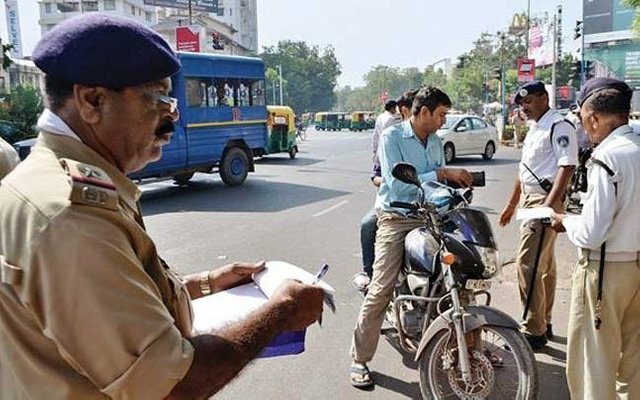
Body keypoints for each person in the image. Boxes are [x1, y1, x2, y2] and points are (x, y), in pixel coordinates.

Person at [0, 15, 324, 399]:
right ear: (92, 100)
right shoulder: (70, 217)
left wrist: (207, 283)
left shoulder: (50, 184)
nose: (171, 119)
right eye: (156, 100)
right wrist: (282, 312)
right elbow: (171, 387)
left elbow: (110, 305)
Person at [349, 87, 473, 388]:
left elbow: (434, 185)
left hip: (430, 216)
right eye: (441, 114)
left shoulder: (436, 140)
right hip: (396, 218)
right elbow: (397, 184)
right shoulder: (392, 137)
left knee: (460, 276)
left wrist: (458, 192)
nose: (444, 121)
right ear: (424, 112)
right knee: (380, 288)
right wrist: (442, 175)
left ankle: (470, 347)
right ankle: (359, 358)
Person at [549, 78, 640, 399]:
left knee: (594, 363)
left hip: (605, 271)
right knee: (634, 363)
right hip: (636, 269)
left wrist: (564, 221)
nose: (583, 127)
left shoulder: (607, 158)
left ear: (594, 117)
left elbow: (591, 232)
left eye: (582, 119)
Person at [499, 81, 578, 350]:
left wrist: (548, 205)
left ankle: (533, 330)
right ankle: (544, 320)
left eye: (529, 101)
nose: (525, 107)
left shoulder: (559, 125)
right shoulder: (536, 127)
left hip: (545, 200)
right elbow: (525, 171)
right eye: (522, 103)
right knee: (544, 266)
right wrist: (512, 204)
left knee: (527, 265)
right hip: (531, 199)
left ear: (544, 98)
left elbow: (567, 167)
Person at [353, 90, 418, 292]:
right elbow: (376, 176)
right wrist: (390, 182)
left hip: (426, 206)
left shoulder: (433, 140)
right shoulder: (391, 138)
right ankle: (370, 275)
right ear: (406, 111)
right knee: (367, 225)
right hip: (395, 205)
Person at [371, 99, 398, 166]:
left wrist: (374, 148)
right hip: (387, 148)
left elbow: (375, 134)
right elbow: (391, 136)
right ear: (392, 108)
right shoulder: (390, 119)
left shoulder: (380, 117)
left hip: (379, 147)